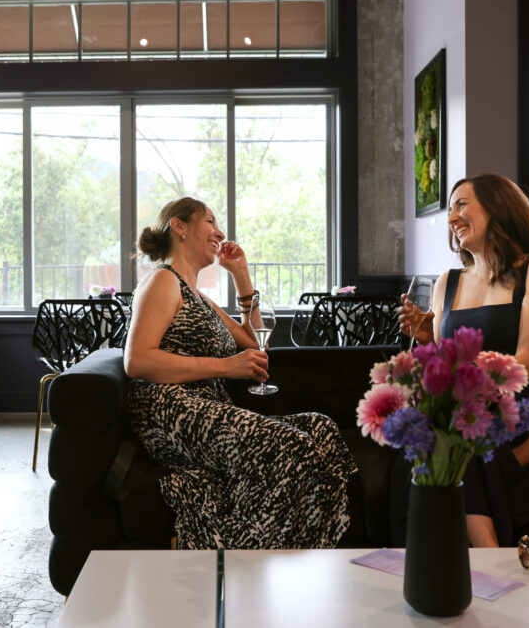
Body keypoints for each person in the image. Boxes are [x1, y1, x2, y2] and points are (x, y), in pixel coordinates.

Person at [124, 197, 356, 549]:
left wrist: (241, 274)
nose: (219, 232)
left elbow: (253, 341)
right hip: (169, 410)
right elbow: (137, 360)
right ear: (179, 226)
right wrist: (225, 367)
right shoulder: (162, 281)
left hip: (207, 407)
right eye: (210, 221)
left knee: (320, 428)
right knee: (290, 445)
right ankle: (255, 557)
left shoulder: (200, 297)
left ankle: (300, 555)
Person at [396, 174, 529, 547]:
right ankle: (481, 556)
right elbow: (441, 369)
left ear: (498, 207)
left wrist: (464, 378)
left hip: (516, 409)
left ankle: (482, 555)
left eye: (462, 204)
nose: (451, 217)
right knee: (431, 421)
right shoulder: (449, 282)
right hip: (461, 409)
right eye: (449, 209)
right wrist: (428, 342)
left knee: (455, 422)